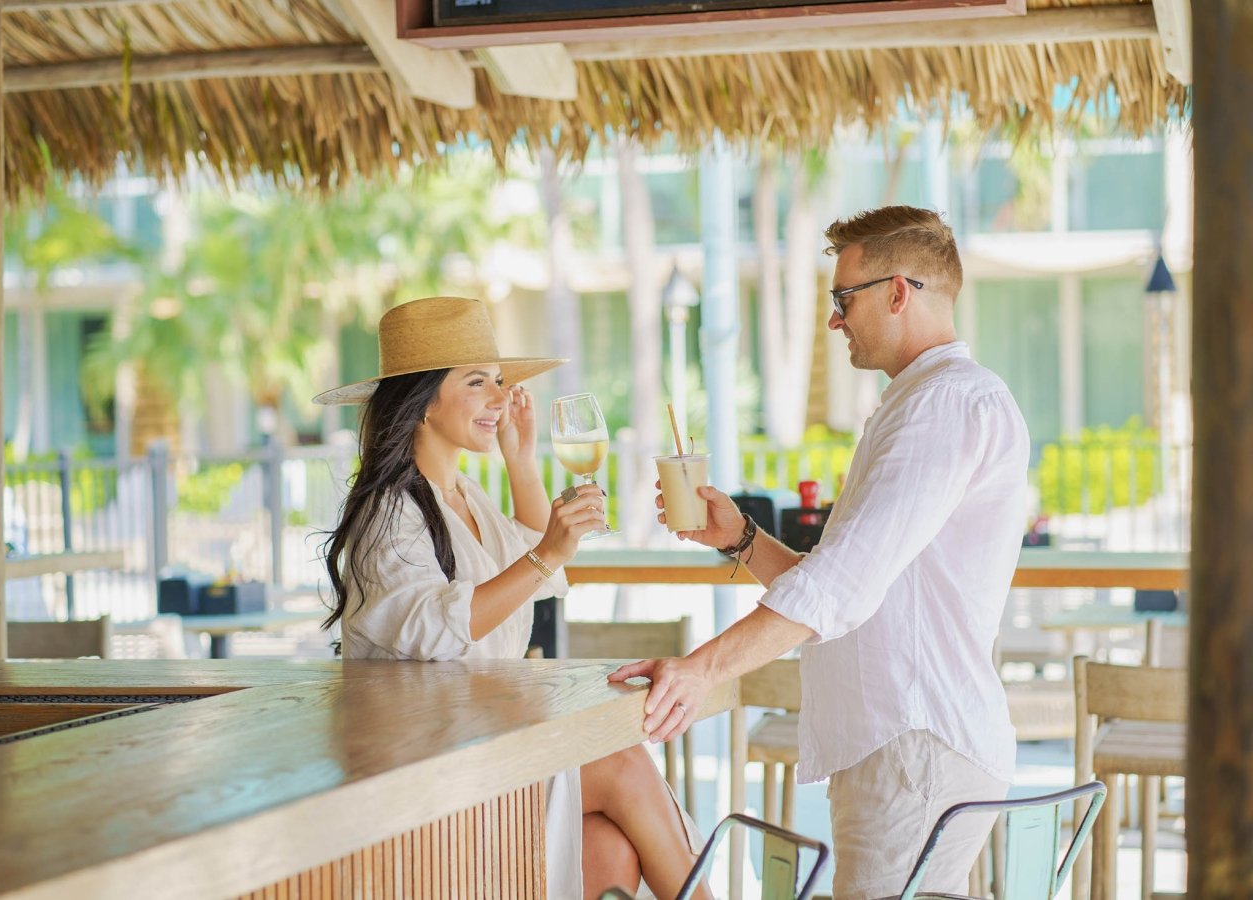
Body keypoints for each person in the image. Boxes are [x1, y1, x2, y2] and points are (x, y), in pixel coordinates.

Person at [611, 206, 1031, 899]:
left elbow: (843, 583)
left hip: (912, 745)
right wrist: (742, 538)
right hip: (909, 743)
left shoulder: (942, 406)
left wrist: (698, 671)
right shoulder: (923, 402)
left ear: (899, 292)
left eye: (844, 298)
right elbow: (862, 587)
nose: (835, 320)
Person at [315, 295, 702, 900]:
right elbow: (445, 625)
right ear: (421, 403)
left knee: (608, 849)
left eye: (500, 381)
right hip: (428, 763)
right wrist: (547, 549)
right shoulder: (389, 512)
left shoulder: (464, 494)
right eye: (477, 382)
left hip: (486, 742)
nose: (500, 397)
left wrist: (522, 463)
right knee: (625, 766)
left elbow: (532, 576)